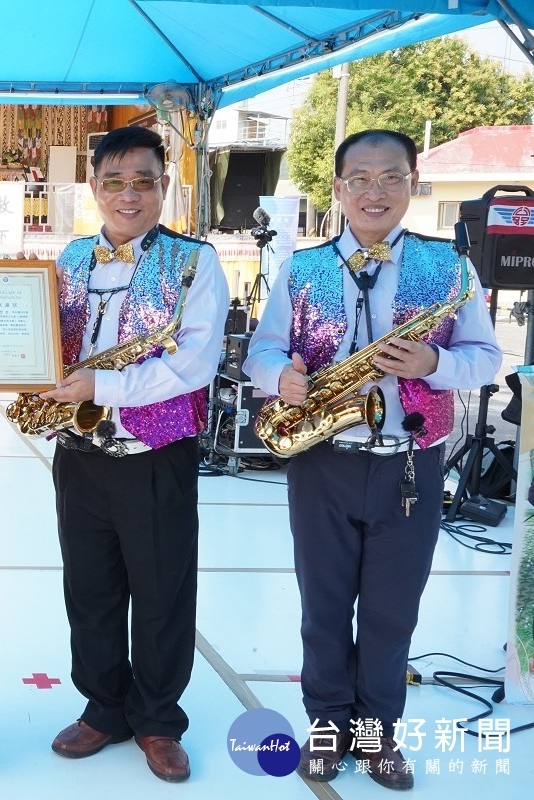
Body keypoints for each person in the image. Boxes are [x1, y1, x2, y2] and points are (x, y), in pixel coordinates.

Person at [244, 129, 501, 791]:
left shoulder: (449, 267)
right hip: (323, 458)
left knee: (392, 611)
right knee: (324, 605)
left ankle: (377, 732)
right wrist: (284, 380)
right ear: (338, 189)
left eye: (390, 177)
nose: (375, 190)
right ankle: (327, 725)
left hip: (410, 463)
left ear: (411, 183)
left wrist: (433, 362)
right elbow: (261, 354)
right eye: (359, 177)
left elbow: (487, 357)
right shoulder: (301, 268)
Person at [37, 126, 228, 783]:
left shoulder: (193, 262)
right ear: (93, 187)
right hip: (79, 452)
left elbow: (198, 362)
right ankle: (104, 707)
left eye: (142, 181)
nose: (128, 194)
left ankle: (156, 719)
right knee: (88, 589)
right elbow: (38, 339)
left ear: (163, 187)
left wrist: (106, 386)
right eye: (113, 181)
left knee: (161, 593)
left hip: (156, 455)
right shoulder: (67, 261)